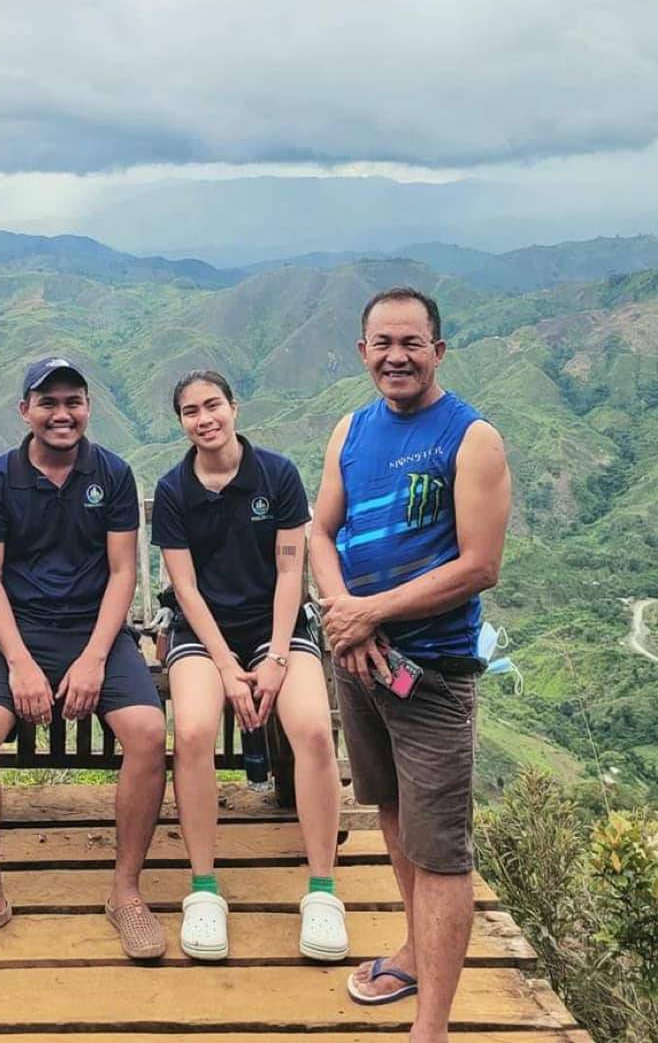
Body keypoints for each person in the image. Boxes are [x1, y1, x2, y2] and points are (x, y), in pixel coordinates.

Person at [309, 286, 511, 1043]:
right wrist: (344, 615)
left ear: (438, 350)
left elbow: (479, 565)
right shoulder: (350, 431)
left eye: (411, 343)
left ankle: (432, 1028)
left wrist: (373, 612)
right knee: (391, 813)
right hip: (359, 662)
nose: (396, 356)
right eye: (382, 343)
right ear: (363, 352)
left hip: (431, 672)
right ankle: (414, 949)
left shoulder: (471, 437)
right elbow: (319, 532)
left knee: (441, 849)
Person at [0, 356, 168, 963]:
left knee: (146, 730)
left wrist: (92, 659)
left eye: (74, 402)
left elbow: (122, 573)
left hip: (98, 634)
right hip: (21, 632)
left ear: (88, 407)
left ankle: (126, 892)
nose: (62, 415)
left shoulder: (112, 474)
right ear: (25, 411)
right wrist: (20, 662)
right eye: (48, 403)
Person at [153, 371, 348, 963]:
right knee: (190, 732)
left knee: (313, 727)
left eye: (213, 405)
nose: (204, 418)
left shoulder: (277, 476)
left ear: (234, 408)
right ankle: (204, 888)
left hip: (275, 626)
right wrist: (227, 667)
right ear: (181, 422)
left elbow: (292, 569)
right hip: (202, 631)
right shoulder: (173, 489)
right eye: (191, 411)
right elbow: (183, 587)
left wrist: (279, 655)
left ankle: (322, 890)